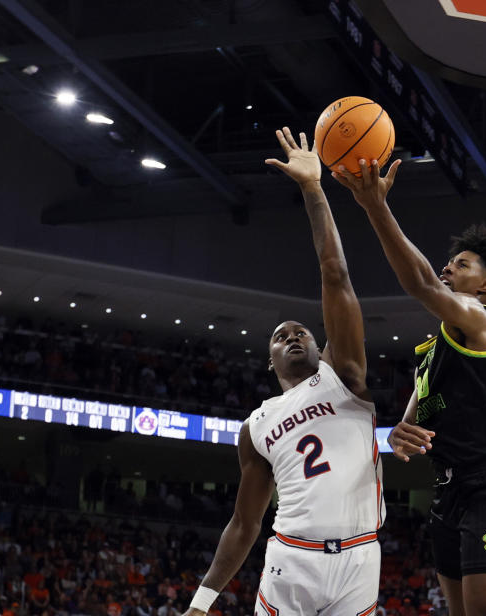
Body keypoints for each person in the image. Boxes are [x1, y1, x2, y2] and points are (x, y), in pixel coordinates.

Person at [182, 128, 384, 616]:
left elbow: (334, 271)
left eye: (302, 332)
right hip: (291, 560)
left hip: (360, 557)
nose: (293, 336)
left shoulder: (344, 374)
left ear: (321, 345)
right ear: (269, 360)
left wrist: (313, 190)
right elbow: (244, 522)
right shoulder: (256, 425)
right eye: (280, 335)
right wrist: (201, 601)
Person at [333, 158, 486, 616]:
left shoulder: (485, 322)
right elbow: (410, 423)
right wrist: (401, 433)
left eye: (462, 264)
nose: (448, 267)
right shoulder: (432, 350)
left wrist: (375, 206)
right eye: (450, 261)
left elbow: (419, 281)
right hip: (447, 492)